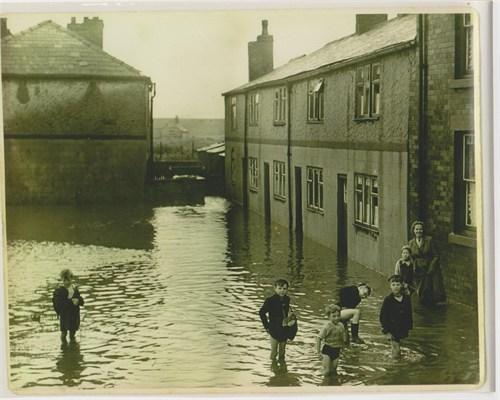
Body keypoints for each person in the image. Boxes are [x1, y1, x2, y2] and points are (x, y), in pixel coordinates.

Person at [408, 220, 446, 306]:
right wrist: (413, 266)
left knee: (430, 289)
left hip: (429, 269)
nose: (418, 231)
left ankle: (431, 309)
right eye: (416, 229)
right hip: (418, 269)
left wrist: (431, 267)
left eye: (420, 229)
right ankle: (423, 309)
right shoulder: (411, 243)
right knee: (421, 290)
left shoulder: (429, 240)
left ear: (423, 230)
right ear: (413, 230)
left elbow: (436, 255)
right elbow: (410, 257)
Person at [259, 278, 297, 362]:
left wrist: (291, 322)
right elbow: (261, 313)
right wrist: (267, 326)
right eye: (279, 288)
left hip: (284, 328)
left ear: (287, 289)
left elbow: (287, 312)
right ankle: (274, 369)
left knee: (282, 351)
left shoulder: (287, 299)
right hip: (274, 328)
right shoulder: (270, 301)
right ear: (275, 288)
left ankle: (282, 371)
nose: (282, 291)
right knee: (274, 352)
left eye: (284, 289)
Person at [379, 275, 413, 359]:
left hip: (401, 327)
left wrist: (409, 326)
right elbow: (383, 316)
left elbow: (409, 313)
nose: (395, 287)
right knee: (396, 349)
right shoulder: (388, 300)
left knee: (398, 348)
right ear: (390, 286)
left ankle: (397, 363)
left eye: (398, 284)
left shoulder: (406, 298)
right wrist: (386, 331)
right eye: (393, 285)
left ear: (401, 285)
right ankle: (395, 367)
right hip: (391, 328)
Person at [52, 269, 85, 343]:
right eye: (64, 280)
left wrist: (78, 300)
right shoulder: (60, 291)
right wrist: (71, 301)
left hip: (74, 315)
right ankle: (64, 346)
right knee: (64, 332)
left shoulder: (74, 289)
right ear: (62, 280)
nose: (67, 282)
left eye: (68, 279)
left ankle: (72, 348)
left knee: (72, 332)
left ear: (71, 279)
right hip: (65, 315)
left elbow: (81, 300)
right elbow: (59, 304)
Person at [316, 304, 348, 376]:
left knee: (333, 371)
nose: (336, 318)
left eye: (338, 316)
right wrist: (318, 352)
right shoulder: (327, 327)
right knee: (327, 371)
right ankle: (323, 384)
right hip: (327, 350)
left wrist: (343, 348)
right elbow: (318, 338)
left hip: (337, 350)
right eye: (334, 316)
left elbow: (342, 338)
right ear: (328, 317)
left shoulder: (341, 325)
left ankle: (332, 384)